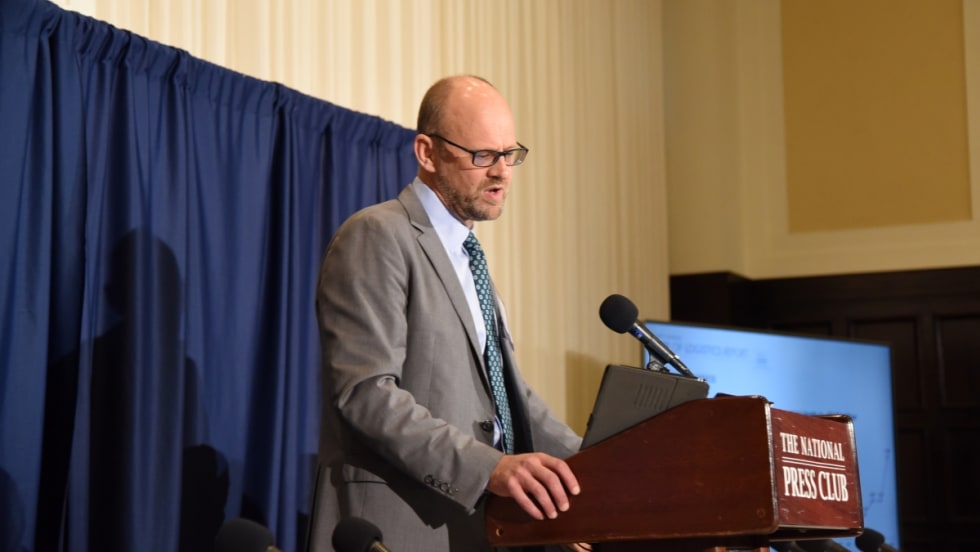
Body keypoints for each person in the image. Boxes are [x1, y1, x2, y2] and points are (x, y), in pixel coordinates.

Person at [308, 75, 583, 552]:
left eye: (509, 154)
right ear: (427, 153)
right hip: (398, 529)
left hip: (477, 531)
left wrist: (592, 468)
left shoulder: (469, 259)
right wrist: (488, 468)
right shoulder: (377, 235)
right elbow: (366, 393)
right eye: (483, 155)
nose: (501, 172)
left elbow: (509, 396)